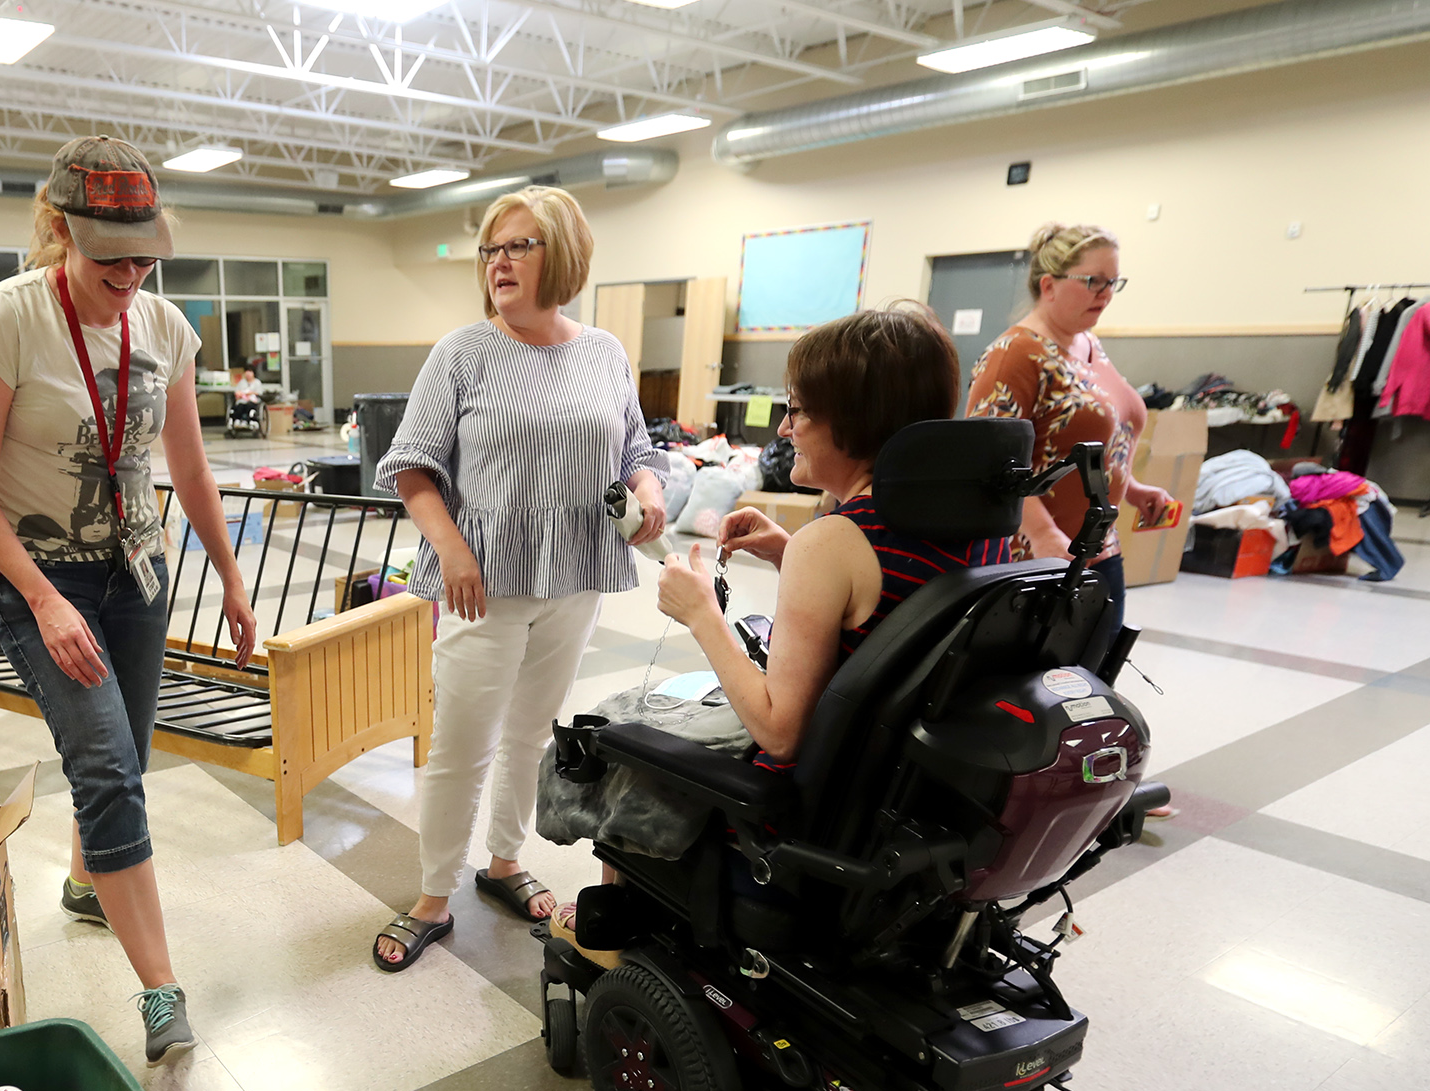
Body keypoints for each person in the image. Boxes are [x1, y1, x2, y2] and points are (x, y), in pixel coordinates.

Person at [0, 136, 259, 1065]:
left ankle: (88, 882)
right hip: (40, 575)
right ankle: (162, 991)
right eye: (109, 257)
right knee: (107, 767)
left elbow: (191, 467)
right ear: (57, 232)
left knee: (128, 748)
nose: (130, 275)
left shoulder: (165, 327)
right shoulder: (3, 321)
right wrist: (43, 600)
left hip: (138, 571)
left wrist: (231, 578)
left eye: (145, 256)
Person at [370, 185, 666, 972]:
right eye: (490, 249)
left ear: (560, 254)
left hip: (576, 573)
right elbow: (411, 468)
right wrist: (454, 549)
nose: (498, 261)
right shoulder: (462, 353)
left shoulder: (603, 351)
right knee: (461, 743)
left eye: (518, 246)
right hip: (482, 583)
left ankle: (502, 861)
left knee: (531, 733)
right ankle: (434, 893)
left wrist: (650, 489)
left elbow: (636, 446)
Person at [655, 306, 1015, 772]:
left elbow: (781, 734)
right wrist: (791, 554)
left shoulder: (832, 542)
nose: (784, 429)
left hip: (821, 807)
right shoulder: (982, 525)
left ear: (854, 419)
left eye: (796, 410)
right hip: (914, 783)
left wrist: (700, 612)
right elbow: (892, 616)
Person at [964, 223, 1177, 626]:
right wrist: (1042, 533)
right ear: (1049, 285)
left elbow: (1092, 442)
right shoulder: (1015, 355)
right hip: (1034, 561)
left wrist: (1130, 488)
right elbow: (990, 463)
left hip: (1099, 549)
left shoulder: (1088, 343)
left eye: (1113, 282)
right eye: (1093, 281)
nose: (1106, 293)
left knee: (1095, 680)